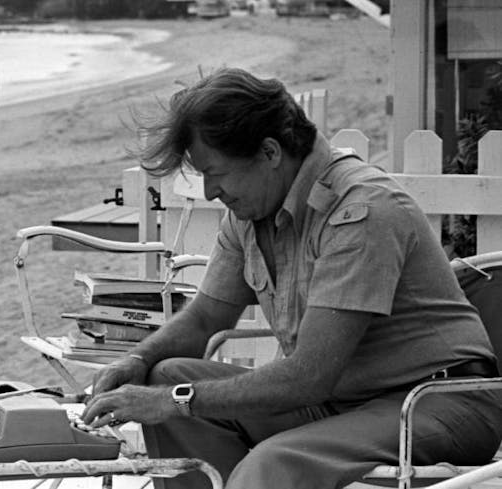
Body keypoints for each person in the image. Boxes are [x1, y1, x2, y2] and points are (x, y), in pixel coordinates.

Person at [81, 68, 502, 489]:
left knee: (273, 464)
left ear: (269, 152)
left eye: (217, 172)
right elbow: (206, 318)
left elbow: (307, 376)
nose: (210, 192)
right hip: (343, 401)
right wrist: (135, 361)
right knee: (165, 374)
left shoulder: (362, 209)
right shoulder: (252, 210)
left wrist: (174, 402)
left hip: (438, 402)